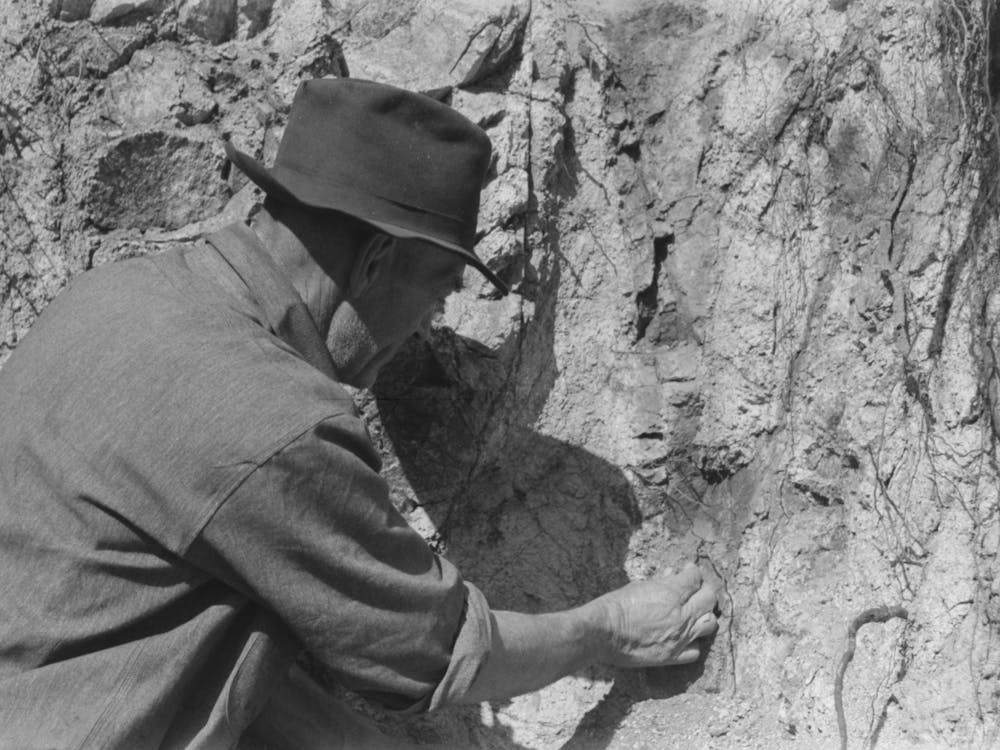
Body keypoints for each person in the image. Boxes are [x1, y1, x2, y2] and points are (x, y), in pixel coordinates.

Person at [0, 77, 718, 749]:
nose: (430, 323)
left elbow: (159, 634)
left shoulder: (107, 298)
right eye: (439, 291)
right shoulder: (276, 420)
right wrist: (607, 628)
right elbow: (438, 653)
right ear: (375, 259)